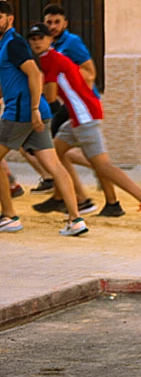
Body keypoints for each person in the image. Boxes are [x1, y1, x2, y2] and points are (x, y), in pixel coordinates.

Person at [27, 23, 141, 229]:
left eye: (40, 38)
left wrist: (32, 88)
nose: (36, 42)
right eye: (33, 39)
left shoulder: (50, 60)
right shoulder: (50, 57)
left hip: (85, 118)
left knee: (103, 165)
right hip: (78, 117)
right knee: (55, 151)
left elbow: (52, 96)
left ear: (50, 40)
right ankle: (64, 197)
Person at [0, 1, 86, 236]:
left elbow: (35, 74)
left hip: (21, 114)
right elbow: (9, 81)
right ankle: (76, 219)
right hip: (33, 114)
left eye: (0, 17)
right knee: (54, 166)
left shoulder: (13, 44)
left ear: (10, 19)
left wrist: (35, 108)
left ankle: (9, 216)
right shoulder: (8, 44)